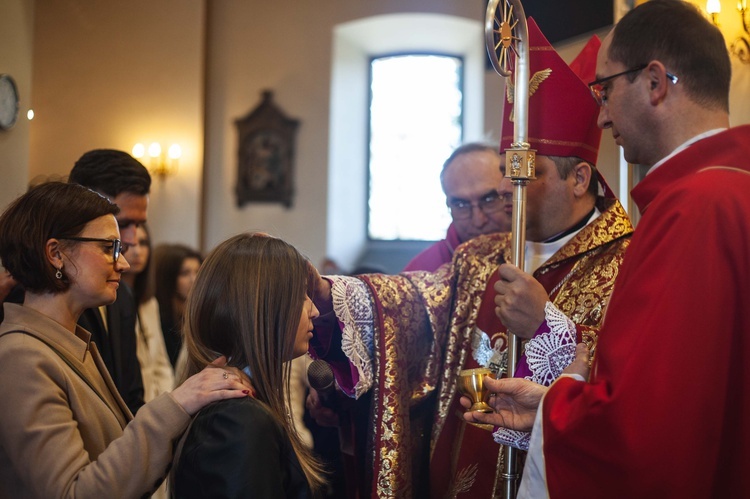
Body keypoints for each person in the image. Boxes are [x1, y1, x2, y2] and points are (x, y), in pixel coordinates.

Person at [307, 18, 634, 498]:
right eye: (505, 170)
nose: (506, 188)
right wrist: (331, 293)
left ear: (580, 179)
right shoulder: (478, 256)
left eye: (527, 172)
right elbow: (412, 307)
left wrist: (547, 327)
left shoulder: (628, 264)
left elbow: (627, 398)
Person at [464, 2, 750, 496]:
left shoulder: (693, 210)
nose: (600, 116)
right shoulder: (729, 191)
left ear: (655, 83)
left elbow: (645, 436)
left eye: (605, 90)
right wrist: (547, 409)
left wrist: (559, 415)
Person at [0, 182, 251, 497]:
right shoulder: (21, 357)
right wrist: (177, 403)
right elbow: (74, 493)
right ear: (56, 254)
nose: (124, 262)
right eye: (109, 248)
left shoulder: (67, 345)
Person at [171, 233, 327, 497]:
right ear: (264, 308)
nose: (314, 310)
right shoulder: (238, 421)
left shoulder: (241, 409)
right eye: (300, 296)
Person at [69, 149, 151, 414]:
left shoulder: (123, 295)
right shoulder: (43, 295)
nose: (131, 238)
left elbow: (131, 394)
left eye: (138, 225)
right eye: (123, 222)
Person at [403, 143, 512, 272]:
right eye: (461, 205)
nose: (478, 221)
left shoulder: (538, 255)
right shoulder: (422, 273)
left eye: (489, 200)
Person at [122, 225, 175, 404]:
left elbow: (161, 362)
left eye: (143, 243)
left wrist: (167, 402)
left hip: (158, 402)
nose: (137, 251)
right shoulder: (109, 302)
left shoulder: (150, 303)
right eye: (130, 244)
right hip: (131, 403)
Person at [153, 243, 202, 368]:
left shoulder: (199, 314)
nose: (194, 279)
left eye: (198, 271)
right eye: (185, 273)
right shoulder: (158, 316)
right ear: (168, 278)